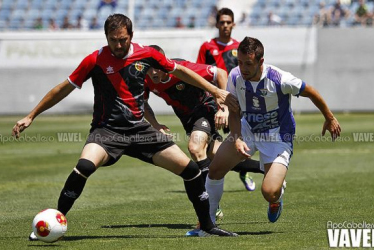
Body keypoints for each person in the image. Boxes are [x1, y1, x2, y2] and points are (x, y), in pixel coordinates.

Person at [12, 14, 239, 239]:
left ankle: (208, 226)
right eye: (113, 40)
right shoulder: (95, 60)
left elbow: (180, 71)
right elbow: (64, 88)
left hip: (140, 132)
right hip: (106, 132)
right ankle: (54, 222)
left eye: (123, 40)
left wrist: (216, 91)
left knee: (190, 170)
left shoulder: (147, 54)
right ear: (106, 37)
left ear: (131, 36)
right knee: (84, 167)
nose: (118, 45)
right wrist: (32, 115)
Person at [205, 37, 341, 224]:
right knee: (215, 170)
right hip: (248, 129)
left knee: (269, 192)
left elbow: (310, 91)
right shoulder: (235, 76)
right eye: (240, 62)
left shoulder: (280, 79)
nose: (243, 68)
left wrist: (329, 117)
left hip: (278, 135)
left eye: (248, 63)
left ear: (261, 61)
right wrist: (236, 138)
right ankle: (208, 220)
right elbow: (234, 111)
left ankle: (276, 198)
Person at [143, 45, 264, 236]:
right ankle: (266, 167)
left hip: (205, 109)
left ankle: (209, 209)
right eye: (150, 67)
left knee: (195, 147)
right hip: (188, 120)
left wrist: (223, 107)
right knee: (218, 157)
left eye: (157, 66)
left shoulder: (180, 68)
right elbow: (142, 102)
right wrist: (156, 124)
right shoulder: (146, 78)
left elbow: (220, 73)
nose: (154, 72)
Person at [197, 7, 259, 191]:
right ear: (216, 24)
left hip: (237, 103)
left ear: (233, 24)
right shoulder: (207, 47)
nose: (225, 25)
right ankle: (213, 180)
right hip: (213, 101)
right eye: (221, 22)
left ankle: (243, 169)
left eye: (228, 22)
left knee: (237, 139)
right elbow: (199, 73)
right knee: (212, 146)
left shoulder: (240, 48)